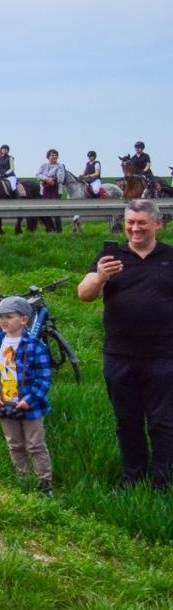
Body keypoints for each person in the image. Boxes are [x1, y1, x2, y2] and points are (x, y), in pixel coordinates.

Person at [78, 200, 173, 489]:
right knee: (127, 422)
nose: (134, 228)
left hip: (164, 356)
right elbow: (84, 294)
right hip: (120, 356)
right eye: (130, 222)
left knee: (163, 422)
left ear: (158, 224)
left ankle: (162, 482)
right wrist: (101, 277)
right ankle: (132, 478)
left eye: (142, 222)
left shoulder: (170, 257)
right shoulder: (111, 257)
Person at [0, 295, 55, 494]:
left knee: (35, 445)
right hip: (4, 404)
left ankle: (44, 484)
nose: (2, 321)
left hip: (30, 406)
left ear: (23, 320)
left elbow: (44, 378)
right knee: (14, 444)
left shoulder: (35, 347)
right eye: (0, 317)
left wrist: (30, 400)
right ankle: (23, 479)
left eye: (9, 317)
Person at [36, 149, 65, 232]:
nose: (54, 156)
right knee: (45, 211)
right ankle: (50, 229)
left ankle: (58, 230)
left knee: (56, 212)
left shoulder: (60, 166)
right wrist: (47, 179)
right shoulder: (43, 166)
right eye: (52, 155)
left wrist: (51, 180)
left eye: (56, 155)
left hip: (56, 191)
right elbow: (38, 175)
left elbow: (61, 179)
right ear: (48, 157)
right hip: (44, 191)